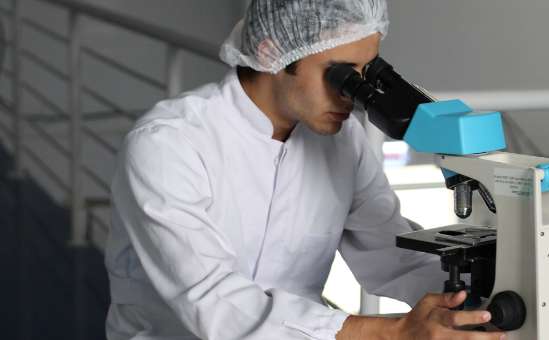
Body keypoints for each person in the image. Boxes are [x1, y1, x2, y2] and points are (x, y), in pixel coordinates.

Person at [105, 0, 505, 339]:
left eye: (366, 74)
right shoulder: (169, 143)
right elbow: (213, 302)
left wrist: (479, 300)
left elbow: (392, 254)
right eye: (342, 75)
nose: (353, 97)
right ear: (271, 54)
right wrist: (395, 332)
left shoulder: (341, 142)